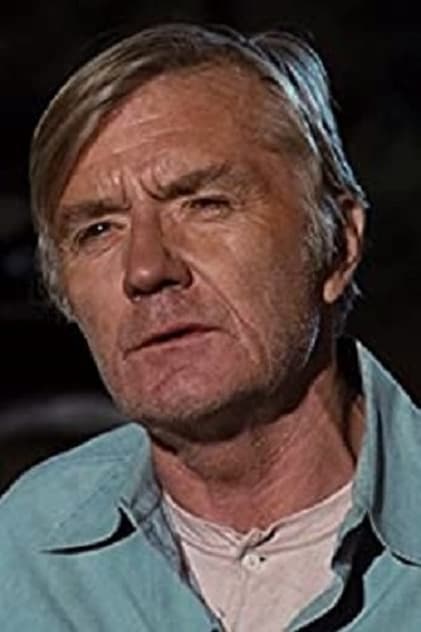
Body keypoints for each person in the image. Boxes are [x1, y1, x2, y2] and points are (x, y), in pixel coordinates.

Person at [1, 23, 420, 632]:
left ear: (338, 244)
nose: (146, 269)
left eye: (204, 204)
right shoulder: (23, 552)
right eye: (98, 230)